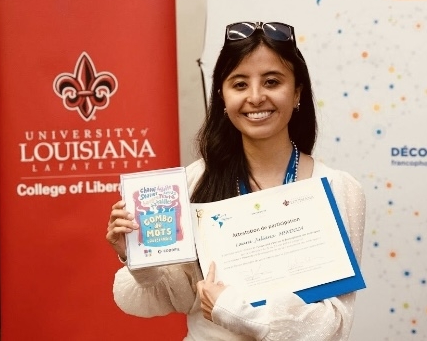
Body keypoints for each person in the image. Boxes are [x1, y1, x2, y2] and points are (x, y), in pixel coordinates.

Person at [106, 21, 366, 340]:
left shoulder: (338, 189)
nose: (255, 97)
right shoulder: (194, 181)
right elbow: (167, 299)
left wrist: (234, 310)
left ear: (297, 92)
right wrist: (137, 254)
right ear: (222, 96)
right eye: (239, 84)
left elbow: (332, 325)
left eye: (272, 82)